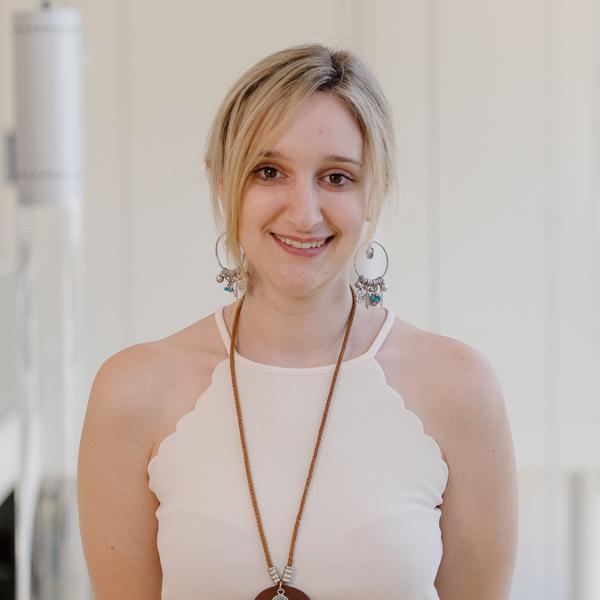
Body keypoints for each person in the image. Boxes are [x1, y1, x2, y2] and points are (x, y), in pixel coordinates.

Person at [77, 43, 518, 600]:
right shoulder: (132, 392)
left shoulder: (460, 388)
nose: (304, 213)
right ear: (225, 185)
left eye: (337, 177)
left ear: (373, 194)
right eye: (269, 172)